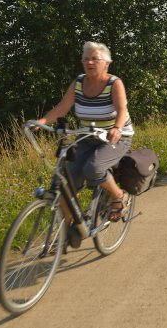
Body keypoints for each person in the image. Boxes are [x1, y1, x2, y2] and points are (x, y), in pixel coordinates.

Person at [36, 41, 132, 224]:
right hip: (87, 136)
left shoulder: (114, 83)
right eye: (86, 59)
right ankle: (68, 231)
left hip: (116, 138)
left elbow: (121, 109)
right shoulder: (79, 82)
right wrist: (41, 122)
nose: (90, 63)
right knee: (67, 183)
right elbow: (62, 108)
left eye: (95, 59)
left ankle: (119, 196)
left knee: (93, 168)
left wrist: (117, 128)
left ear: (106, 63)